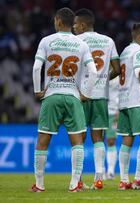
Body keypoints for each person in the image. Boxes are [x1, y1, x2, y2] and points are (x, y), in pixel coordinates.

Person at [29, 7, 97, 192]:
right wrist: (86, 93)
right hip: (73, 97)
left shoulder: (46, 41)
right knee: (77, 141)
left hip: (51, 96)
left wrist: (37, 90)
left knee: (43, 139)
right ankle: (74, 184)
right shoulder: (81, 44)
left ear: (58, 21)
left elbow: (37, 68)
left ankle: (40, 185)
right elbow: (93, 71)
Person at [73, 8, 121, 190]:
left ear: (83, 25)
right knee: (98, 137)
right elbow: (117, 68)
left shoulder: (76, 41)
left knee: (79, 137)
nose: (74, 28)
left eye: (76, 24)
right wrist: (103, 79)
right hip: (101, 96)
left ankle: (76, 180)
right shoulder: (108, 41)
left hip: (81, 95)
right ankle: (98, 178)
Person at [116, 22, 140, 190]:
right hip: (136, 100)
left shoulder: (125, 50)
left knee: (126, 140)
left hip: (123, 100)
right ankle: (139, 178)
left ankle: (124, 180)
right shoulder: (139, 51)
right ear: (139, 37)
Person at [104, 76, 120, 180]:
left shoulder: (118, 76)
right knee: (98, 141)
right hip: (100, 110)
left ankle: (110, 171)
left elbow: (122, 92)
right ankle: (100, 171)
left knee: (111, 141)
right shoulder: (100, 70)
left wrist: (120, 108)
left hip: (113, 111)